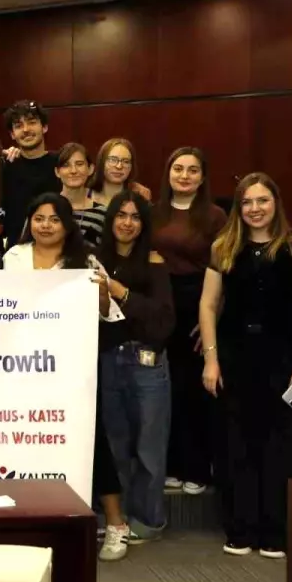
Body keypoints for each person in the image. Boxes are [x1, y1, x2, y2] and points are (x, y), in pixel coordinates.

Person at [199, 173, 292, 559]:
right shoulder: (223, 247)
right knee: (236, 444)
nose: (255, 209)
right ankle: (240, 529)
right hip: (235, 359)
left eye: (262, 201)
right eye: (247, 202)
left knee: (282, 446)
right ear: (239, 208)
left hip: (286, 361)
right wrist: (211, 359)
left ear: (276, 203)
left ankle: (276, 532)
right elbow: (208, 305)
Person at [3, 193, 128, 561]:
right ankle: (38, 522)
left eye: (54, 219)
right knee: (31, 439)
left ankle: (116, 524)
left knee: (91, 439)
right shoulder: (14, 257)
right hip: (24, 366)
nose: (46, 226)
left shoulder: (85, 261)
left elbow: (106, 314)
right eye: (39, 218)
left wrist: (102, 294)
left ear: (67, 225)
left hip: (74, 366)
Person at [96, 191, 176, 546]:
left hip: (147, 362)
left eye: (135, 217)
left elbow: (163, 320)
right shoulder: (94, 261)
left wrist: (120, 292)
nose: (127, 223)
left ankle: (148, 520)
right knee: (115, 445)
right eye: (121, 215)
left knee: (149, 448)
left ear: (144, 224)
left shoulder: (154, 261)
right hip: (107, 359)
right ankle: (118, 518)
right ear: (110, 219)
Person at [152, 147, 227, 496]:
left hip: (199, 306)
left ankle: (197, 467)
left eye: (192, 170)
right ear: (168, 172)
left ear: (202, 177)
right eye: (178, 168)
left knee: (196, 391)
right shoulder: (154, 212)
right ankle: (171, 464)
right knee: (166, 390)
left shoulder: (215, 217)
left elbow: (225, 269)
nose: (184, 176)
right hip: (161, 305)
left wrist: (212, 316)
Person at [1, 101, 61, 245]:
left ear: (44, 127)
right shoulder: (5, 166)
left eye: (32, 122)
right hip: (16, 251)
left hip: (57, 249)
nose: (26, 129)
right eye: (18, 126)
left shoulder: (61, 164)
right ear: (12, 134)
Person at [57, 142, 107, 248]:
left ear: (90, 169)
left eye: (79, 164)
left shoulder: (102, 213)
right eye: (66, 165)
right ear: (57, 172)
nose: (73, 171)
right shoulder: (44, 208)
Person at [91, 138, 152, 206]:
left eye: (126, 161)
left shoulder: (140, 199)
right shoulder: (85, 194)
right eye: (113, 160)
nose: (119, 166)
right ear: (102, 162)